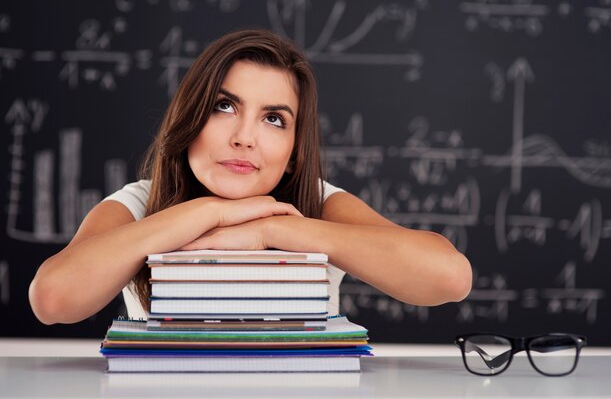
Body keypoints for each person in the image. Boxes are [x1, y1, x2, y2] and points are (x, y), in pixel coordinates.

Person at [29, 29, 472, 325]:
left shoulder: (317, 202)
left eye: (274, 119)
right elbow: (51, 300)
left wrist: (272, 228)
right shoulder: (139, 202)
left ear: (295, 152)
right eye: (225, 106)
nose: (245, 138)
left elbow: (450, 277)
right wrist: (207, 212)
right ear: (191, 119)